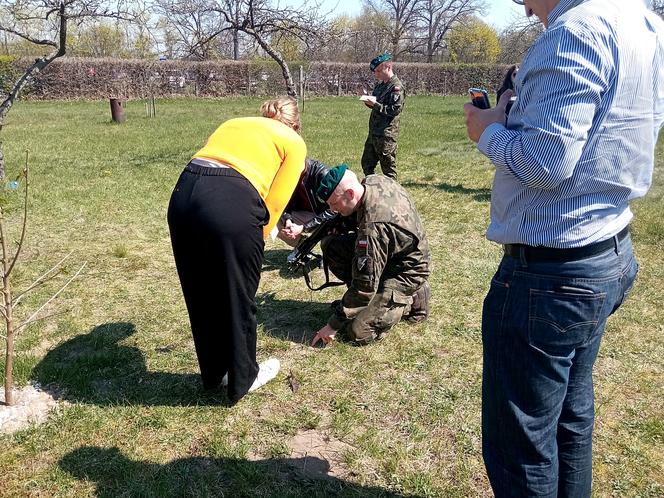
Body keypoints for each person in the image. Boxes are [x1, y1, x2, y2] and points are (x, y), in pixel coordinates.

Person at [463, 0, 664, 496]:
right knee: (570, 419)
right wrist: (515, 113)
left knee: (523, 445)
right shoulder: (645, 24)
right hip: (605, 253)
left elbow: (547, 164)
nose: (525, 8)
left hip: (551, 275)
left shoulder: (574, 31)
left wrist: (485, 129)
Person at [168, 97, 307, 404]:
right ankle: (244, 378)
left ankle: (213, 372)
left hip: (183, 195)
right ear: (295, 125)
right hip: (230, 201)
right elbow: (273, 204)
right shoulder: (294, 143)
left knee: (200, 289)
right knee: (238, 295)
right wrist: (259, 238)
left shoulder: (233, 124)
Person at [310, 165, 430, 347]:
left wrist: (332, 325)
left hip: (406, 271)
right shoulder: (373, 181)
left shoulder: (373, 229)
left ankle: (409, 299)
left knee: (358, 332)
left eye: (335, 204)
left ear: (350, 194)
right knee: (332, 245)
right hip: (394, 253)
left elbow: (364, 287)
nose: (333, 210)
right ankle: (369, 302)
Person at [360, 53, 405, 181]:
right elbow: (376, 104)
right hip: (374, 132)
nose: (377, 74)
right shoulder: (380, 86)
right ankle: (373, 188)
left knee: (388, 169)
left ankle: (393, 194)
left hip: (386, 134)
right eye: (375, 71)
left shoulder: (396, 87)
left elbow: (394, 110)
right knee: (367, 164)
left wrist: (375, 104)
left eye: (379, 70)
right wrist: (367, 99)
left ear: (389, 67)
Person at [277, 158, 336, 247]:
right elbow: (285, 201)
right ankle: (302, 246)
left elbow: (334, 211)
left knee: (331, 235)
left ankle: (330, 252)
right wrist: (288, 220)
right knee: (273, 218)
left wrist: (304, 227)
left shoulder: (322, 174)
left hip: (325, 218)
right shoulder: (288, 176)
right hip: (306, 215)